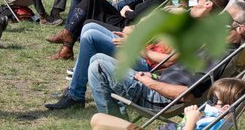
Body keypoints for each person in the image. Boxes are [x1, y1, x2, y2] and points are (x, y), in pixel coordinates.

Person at [85, 20, 245, 117]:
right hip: (156, 83)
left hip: (161, 99)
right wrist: (153, 76)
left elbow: (186, 94)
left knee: (98, 66)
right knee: (96, 59)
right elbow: (180, 73)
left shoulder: (220, 57)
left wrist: (148, 82)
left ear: (240, 30)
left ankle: (113, 128)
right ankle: (117, 123)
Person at [46, 0, 193, 60]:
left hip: (124, 24)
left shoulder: (163, 1)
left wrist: (127, 12)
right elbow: (134, 6)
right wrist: (127, 8)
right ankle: (67, 40)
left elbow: (138, 17)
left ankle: (67, 39)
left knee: (89, 1)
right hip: (122, 17)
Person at [90, 78, 245, 130]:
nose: (208, 102)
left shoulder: (215, 125)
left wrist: (190, 120)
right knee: (96, 118)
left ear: (225, 108)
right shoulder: (215, 118)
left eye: (212, 99)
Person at [44, 22, 175, 110]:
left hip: (148, 66)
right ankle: (74, 88)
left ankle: (75, 95)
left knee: (90, 37)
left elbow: (168, 61)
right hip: (142, 53)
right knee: (89, 26)